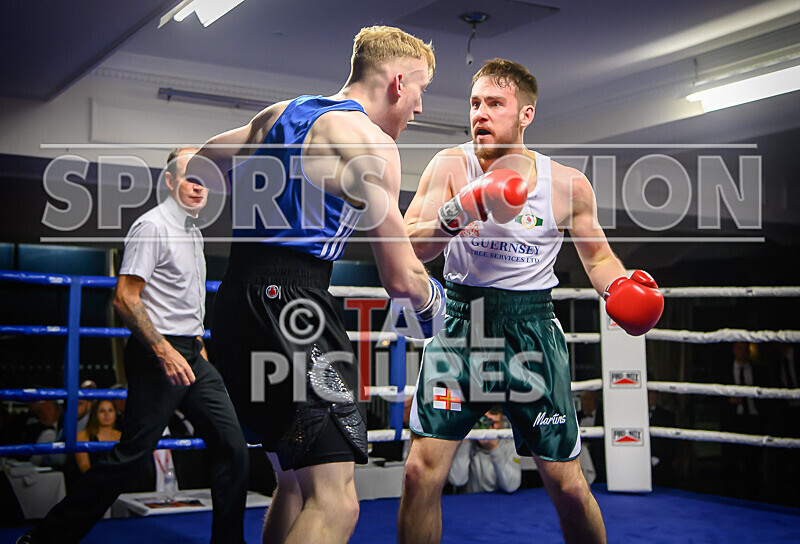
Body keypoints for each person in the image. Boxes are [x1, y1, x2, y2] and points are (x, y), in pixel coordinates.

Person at [186, 25, 443, 544]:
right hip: (294, 308)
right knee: (338, 501)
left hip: (235, 300)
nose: (418, 107)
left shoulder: (277, 114)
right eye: (420, 91)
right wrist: (441, 314)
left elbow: (199, 163)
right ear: (397, 82)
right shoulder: (373, 145)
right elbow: (399, 277)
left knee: (295, 486)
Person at [397, 58, 664, 544]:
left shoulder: (566, 184)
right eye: (475, 103)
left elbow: (599, 255)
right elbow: (411, 244)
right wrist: (465, 207)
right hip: (462, 325)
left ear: (526, 114)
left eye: (495, 104)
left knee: (565, 483)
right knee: (419, 473)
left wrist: (620, 289)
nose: (481, 113)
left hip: (532, 331)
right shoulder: (448, 166)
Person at [17, 148, 249, 544]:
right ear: (170, 181)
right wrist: (164, 350)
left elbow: (184, 304)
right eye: (190, 177)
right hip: (156, 355)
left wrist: (196, 346)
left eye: (205, 180)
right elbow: (125, 297)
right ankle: (43, 539)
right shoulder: (152, 226)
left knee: (234, 447)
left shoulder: (192, 232)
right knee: (131, 457)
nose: (199, 186)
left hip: (192, 354)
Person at [447, 407, 521, 493]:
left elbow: (511, 486)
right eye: (483, 421)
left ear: (501, 424)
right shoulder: (466, 443)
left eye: (494, 422)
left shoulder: (510, 444)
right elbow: (457, 481)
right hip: (469, 501)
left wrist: (494, 448)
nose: (488, 427)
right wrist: (467, 440)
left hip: (501, 502)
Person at [74, 399, 120, 473]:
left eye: (110, 410)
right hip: (92, 480)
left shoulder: (122, 436)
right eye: (102, 411)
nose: (107, 414)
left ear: (115, 413)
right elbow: (84, 468)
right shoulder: (82, 436)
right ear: (95, 414)